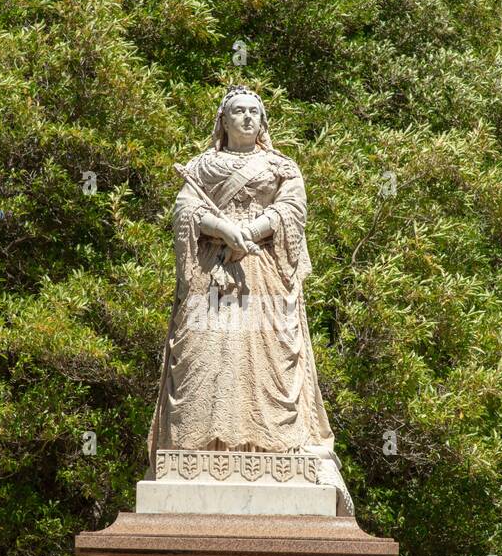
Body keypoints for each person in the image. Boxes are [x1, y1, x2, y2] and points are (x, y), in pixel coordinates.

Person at [147, 85, 353, 514]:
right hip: (211, 274)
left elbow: (293, 209)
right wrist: (221, 228)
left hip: (261, 272)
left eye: (253, 112)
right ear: (222, 121)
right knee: (203, 354)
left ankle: (273, 446)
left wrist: (254, 229)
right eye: (237, 112)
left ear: (262, 122)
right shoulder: (203, 166)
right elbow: (183, 210)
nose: (245, 118)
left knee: (266, 356)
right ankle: (199, 446)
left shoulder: (281, 165)